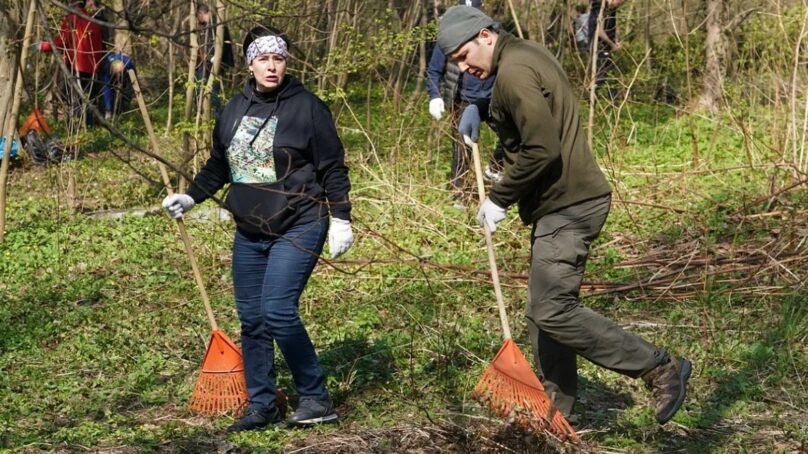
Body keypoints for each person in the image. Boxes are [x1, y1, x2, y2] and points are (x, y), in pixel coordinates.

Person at [437, 6, 691, 424]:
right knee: (543, 312)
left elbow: (542, 148)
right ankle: (560, 413)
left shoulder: (514, 72)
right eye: (456, 64)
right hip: (564, 201)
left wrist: (500, 197)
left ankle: (657, 367)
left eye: (465, 57)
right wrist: (483, 112)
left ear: (485, 36)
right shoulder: (524, 55)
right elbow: (531, 121)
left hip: (569, 204)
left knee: (551, 309)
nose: (465, 69)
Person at [161, 25, 353, 432]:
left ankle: (316, 398)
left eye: (278, 58)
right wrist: (191, 197)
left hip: (300, 222)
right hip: (251, 228)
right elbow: (219, 164)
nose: (271, 66)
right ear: (249, 63)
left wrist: (341, 218)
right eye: (263, 59)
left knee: (278, 311)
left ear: (286, 63)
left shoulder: (307, 108)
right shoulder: (233, 109)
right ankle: (262, 404)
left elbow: (332, 166)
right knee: (253, 318)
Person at [427, 0, 505, 208]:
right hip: (462, 100)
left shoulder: (491, 35)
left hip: (492, 99)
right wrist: (435, 96)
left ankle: (495, 169)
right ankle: (459, 194)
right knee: (462, 149)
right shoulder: (449, 38)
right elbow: (434, 70)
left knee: (511, 134)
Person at [51, 0, 105, 126]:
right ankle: (89, 127)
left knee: (75, 99)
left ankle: (76, 127)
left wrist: (44, 46)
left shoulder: (72, 19)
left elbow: (61, 41)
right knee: (89, 98)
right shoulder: (94, 21)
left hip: (75, 65)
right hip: (93, 67)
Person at [195, 3, 235, 115]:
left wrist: (217, 59)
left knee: (213, 92)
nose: (197, 19)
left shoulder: (217, 26)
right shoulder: (203, 27)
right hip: (203, 64)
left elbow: (223, 45)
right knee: (200, 90)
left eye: (198, 15)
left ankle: (217, 117)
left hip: (213, 64)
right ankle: (202, 114)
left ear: (201, 14)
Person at [588, 0, 626, 92]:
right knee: (602, 74)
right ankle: (590, 94)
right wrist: (612, 45)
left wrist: (617, 40)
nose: (620, 4)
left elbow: (614, 26)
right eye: (620, 2)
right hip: (599, 46)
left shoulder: (612, 9)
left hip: (608, 46)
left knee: (610, 74)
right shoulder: (599, 6)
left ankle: (611, 100)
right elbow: (599, 31)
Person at [99, 52, 135, 119]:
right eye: (117, 73)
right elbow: (106, 90)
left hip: (126, 74)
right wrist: (108, 109)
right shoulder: (106, 69)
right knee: (107, 94)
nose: (119, 76)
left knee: (127, 91)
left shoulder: (129, 64)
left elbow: (133, 81)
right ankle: (108, 111)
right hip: (109, 74)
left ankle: (124, 111)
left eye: (120, 73)